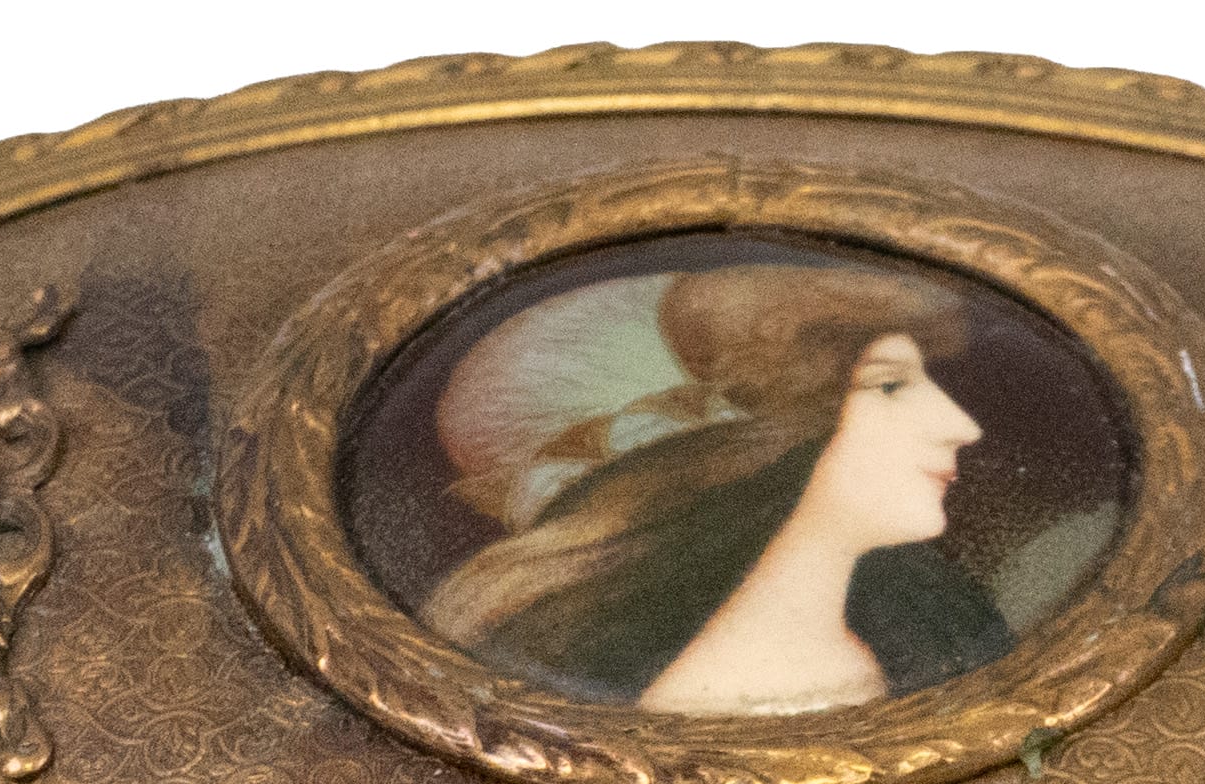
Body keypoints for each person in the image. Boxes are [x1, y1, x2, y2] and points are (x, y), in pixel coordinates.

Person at [422, 261, 1012, 713]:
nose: (963, 426)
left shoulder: (910, 621)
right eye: (889, 386)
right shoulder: (733, 675)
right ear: (753, 445)